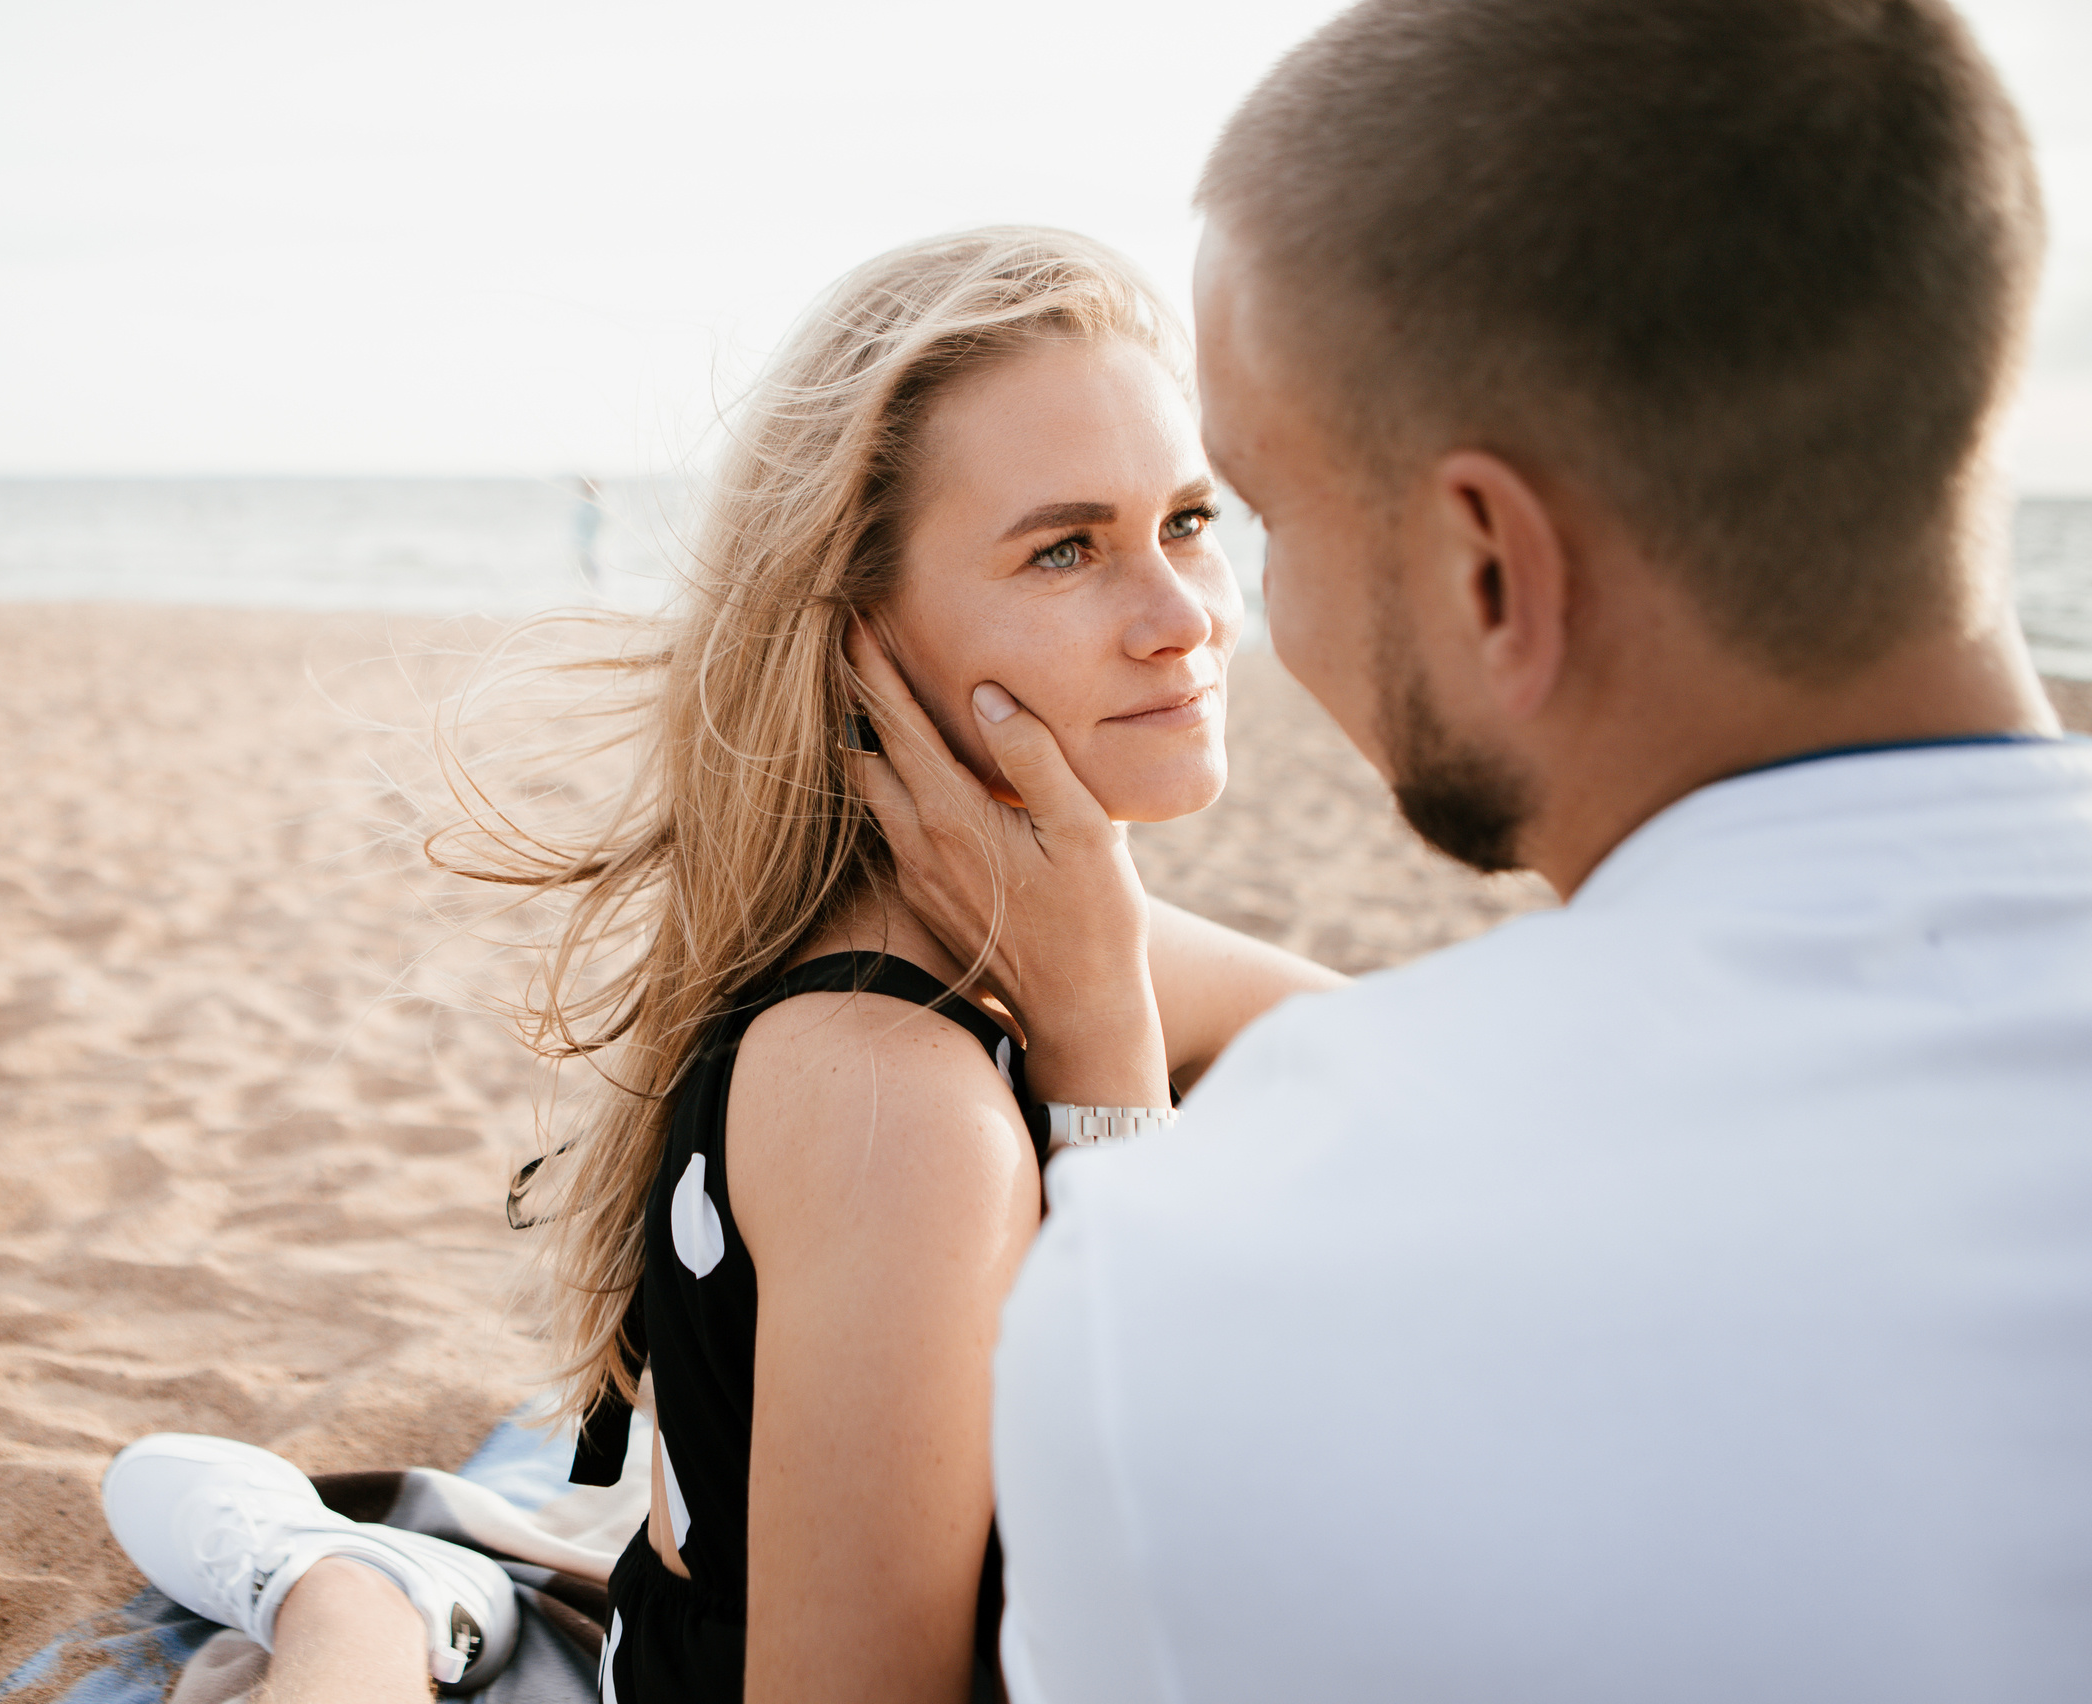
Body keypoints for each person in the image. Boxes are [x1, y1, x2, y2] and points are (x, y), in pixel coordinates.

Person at [847, 1, 2092, 1699]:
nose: (1212, 618)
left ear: (1488, 566)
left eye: (1244, 517)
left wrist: (1117, 1126)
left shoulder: (1199, 1278)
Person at [98, 227, 1336, 1703]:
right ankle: (357, 1603)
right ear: (862, 631)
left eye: (1190, 520)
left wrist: (1099, 992)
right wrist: (1111, 1081)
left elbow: (1402, 1076)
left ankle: (374, 1591)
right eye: (1065, 548)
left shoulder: (1027, 940)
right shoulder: (896, 1104)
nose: (1185, 617)